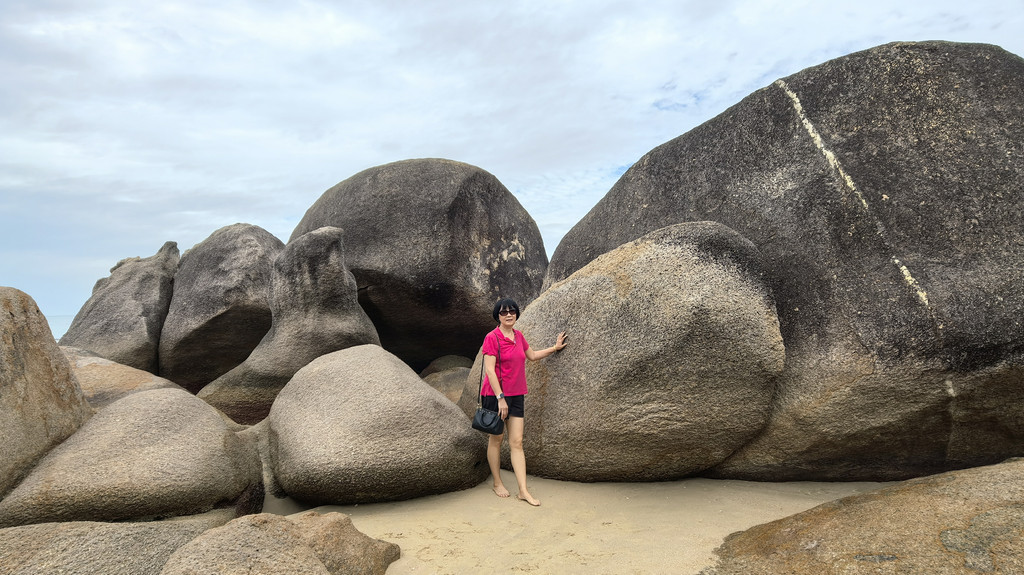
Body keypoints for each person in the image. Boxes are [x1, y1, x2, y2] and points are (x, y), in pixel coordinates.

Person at [481, 297, 567, 506]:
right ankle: (497, 483)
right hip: (495, 396)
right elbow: (489, 370)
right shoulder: (492, 338)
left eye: (512, 311)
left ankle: (523, 490)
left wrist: (554, 348)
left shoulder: (519, 336)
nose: (508, 315)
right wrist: (500, 398)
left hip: (517, 395)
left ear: (517, 314)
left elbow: (532, 355)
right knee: (496, 439)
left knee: (517, 442)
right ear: (498, 316)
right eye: (503, 312)